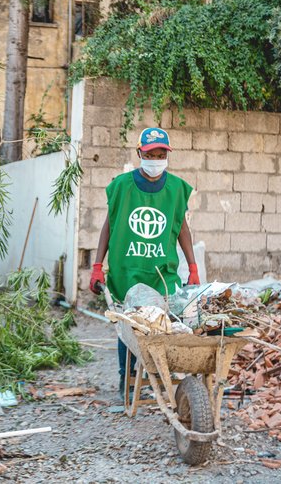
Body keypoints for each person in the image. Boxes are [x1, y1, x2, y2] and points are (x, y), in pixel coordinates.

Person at [89, 127, 200, 397]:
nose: (156, 158)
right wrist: (97, 266)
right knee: (129, 327)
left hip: (160, 272)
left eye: (161, 153)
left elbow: (181, 228)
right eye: (151, 153)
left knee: (163, 325)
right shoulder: (121, 186)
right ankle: (125, 380)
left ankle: (159, 375)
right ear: (140, 153)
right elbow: (109, 226)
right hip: (127, 269)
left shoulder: (176, 189)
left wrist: (193, 267)